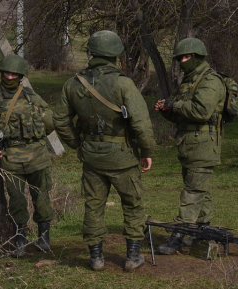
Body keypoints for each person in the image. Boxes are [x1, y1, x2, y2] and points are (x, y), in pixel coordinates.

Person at [53, 30, 156, 272]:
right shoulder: (123, 84)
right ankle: (132, 256)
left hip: (91, 157)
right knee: (132, 204)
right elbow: (141, 123)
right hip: (122, 157)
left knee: (94, 205)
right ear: (116, 55)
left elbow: (59, 120)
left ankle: (96, 257)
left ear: (91, 53)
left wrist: (77, 144)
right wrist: (147, 151)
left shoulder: (73, 84)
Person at [0, 54, 54, 258]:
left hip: (37, 155)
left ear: (20, 76)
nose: (9, 77)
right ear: (1, 73)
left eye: (14, 74)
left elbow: (51, 122)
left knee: (42, 196)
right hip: (10, 157)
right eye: (6, 72)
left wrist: (41, 116)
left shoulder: (31, 96)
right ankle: (20, 240)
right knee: (17, 201)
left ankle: (44, 237)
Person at [153, 38, 226, 255]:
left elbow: (201, 111)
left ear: (197, 57)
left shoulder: (210, 81)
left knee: (192, 192)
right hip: (189, 145)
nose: (181, 61)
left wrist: (173, 104)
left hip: (203, 146)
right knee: (201, 191)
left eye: (185, 57)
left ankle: (177, 237)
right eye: (180, 58)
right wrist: (167, 110)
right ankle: (201, 233)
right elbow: (182, 116)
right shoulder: (189, 81)